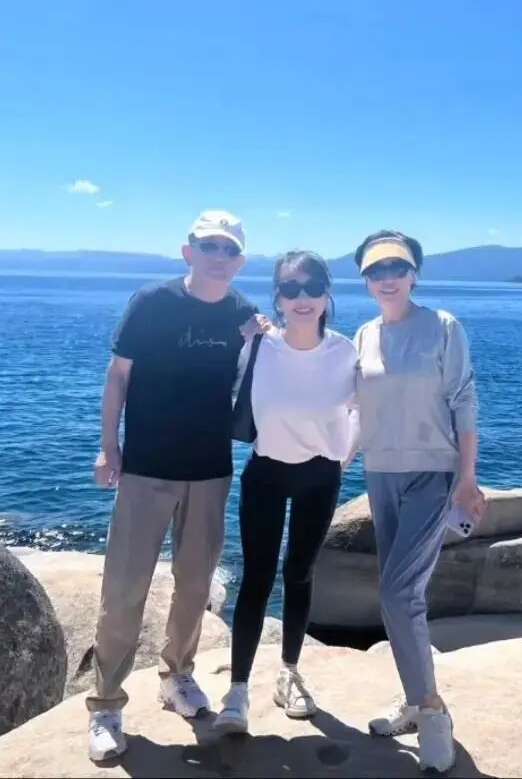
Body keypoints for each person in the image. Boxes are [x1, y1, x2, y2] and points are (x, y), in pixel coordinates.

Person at [86, 209, 259, 762]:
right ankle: (106, 704)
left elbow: (279, 366)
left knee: (195, 584)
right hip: (146, 468)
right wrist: (108, 447)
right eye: (209, 246)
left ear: (240, 260)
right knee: (124, 588)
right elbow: (118, 376)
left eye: (229, 249)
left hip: (209, 470)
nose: (219, 257)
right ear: (188, 252)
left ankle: (177, 675)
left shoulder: (244, 314)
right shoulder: (152, 302)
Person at [350, 230, 487, 774]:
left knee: (397, 593)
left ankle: (432, 712)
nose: (386, 278)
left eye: (397, 268)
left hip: (433, 473)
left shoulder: (442, 327)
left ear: (414, 274)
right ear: (365, 280)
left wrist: (467, 479)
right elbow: (354, 411)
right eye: (375, 271)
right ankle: (414, 697)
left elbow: (464, 400)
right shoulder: (364, 335)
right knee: (402, 596)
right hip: (380, 473)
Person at [213, 251, 358, 735]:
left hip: (320, 475)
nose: (302, 298)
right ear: (277, 296)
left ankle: (290, 674)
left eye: (312, 287)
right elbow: (215, 383)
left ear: (327, 294)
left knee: (299, 574)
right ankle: (237, 691)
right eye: (290, 288)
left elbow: (366, 406)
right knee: (256, 579)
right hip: (267, 473)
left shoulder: (344, 352)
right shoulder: (259, 345)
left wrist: (344, 454)